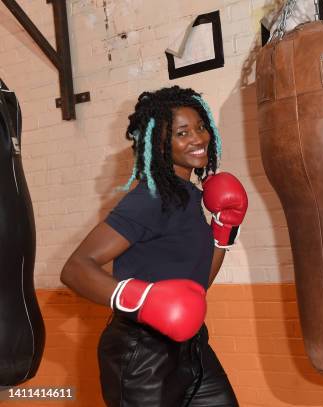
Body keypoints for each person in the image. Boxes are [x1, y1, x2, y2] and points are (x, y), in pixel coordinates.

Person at [61, 86, 246, 407]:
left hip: (193, 347)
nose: (198, 139)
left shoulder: (190, 196)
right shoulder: (151, 198)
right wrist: (144, 300)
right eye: (182, 132)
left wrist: (224, 230)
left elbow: (198, 286)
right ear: (160, 142)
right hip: (142, 356)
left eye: (201, 127)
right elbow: (76, 268)